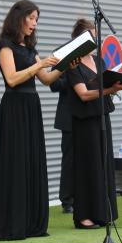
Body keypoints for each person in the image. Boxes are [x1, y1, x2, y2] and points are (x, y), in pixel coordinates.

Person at [0, 0, 76, 241]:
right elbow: (11, 79)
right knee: (16, 161)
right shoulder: (6, 46)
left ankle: (32, 222)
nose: (34, 23)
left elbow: (46, 79)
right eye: (31, 18)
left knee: (32, 160)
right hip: (14, 106)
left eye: (36, 19)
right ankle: (13, 223)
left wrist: (65, 65)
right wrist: (40, 64)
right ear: (19, 18)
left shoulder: (30, 48)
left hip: (32, 106)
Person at [67, 18, 122, 229]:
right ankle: (83, 215)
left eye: (96, 34)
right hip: (84, 120)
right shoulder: (73, 62)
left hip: (102, 115)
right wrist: (110, 90)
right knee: (88, 166)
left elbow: (105, 85)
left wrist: (118, 84)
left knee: (103, 164)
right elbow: (83, 94)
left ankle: (103, 212)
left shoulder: (99, 61)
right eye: (92, 34)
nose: (96, 38)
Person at [49, 75, 74, 213]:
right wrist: (74, 78)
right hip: (69, 116)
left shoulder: (95, 59)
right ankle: (67, 200)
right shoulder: (61, 55)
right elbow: (54, 85)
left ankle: (88, 197)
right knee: (69, 161)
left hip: (91, 114)